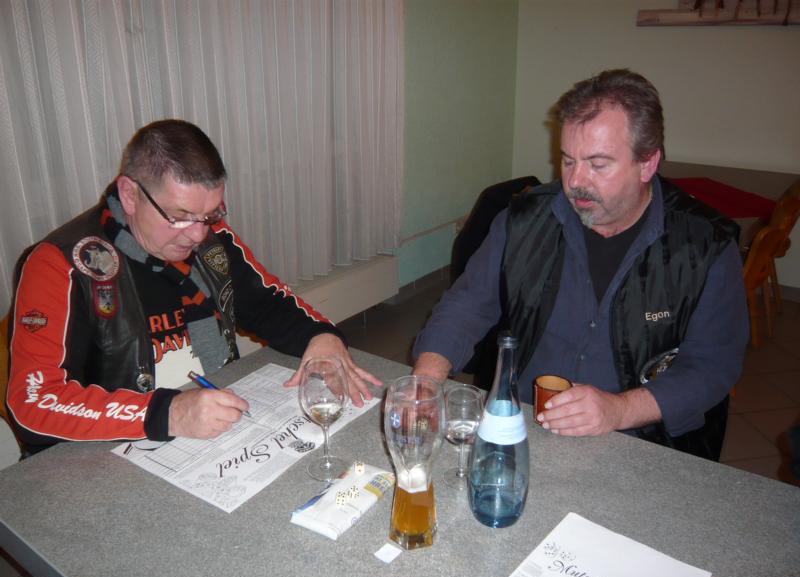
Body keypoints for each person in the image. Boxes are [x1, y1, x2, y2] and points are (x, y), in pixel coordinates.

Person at [412, 69, 749, 460]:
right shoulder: (523, 221)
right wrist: (426, 382)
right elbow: (467, 304)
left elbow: (712, 365)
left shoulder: (704, 245)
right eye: (568, 161)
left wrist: (619, 410)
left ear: (647, 163)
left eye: (598, 164)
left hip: (642, 441)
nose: (575, 181)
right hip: (522, 427)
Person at [6, 119, 380, 455]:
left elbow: (267, 304)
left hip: (212, 439)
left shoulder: (211, 238)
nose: (199, 234)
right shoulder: (59, 264)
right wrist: (167, 413)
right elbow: (32, 404)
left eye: (211, 214)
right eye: (181, 217)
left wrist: (321, 338)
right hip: (109, 453)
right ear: (130, 195)